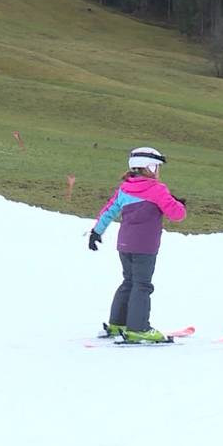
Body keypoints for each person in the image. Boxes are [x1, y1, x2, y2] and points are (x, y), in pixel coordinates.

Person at [88, 147, 186, 343]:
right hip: (145, 246)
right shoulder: (157, 189)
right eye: (157, 167)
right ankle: (138, 328)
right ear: (148, 167)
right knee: (142, 285)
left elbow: (109, 210)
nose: (158, 171)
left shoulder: (124, 188)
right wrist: (177, 203)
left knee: (128, 282)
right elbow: (178, 215)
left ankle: (118, 324)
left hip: (125, 245)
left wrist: (96, 232)